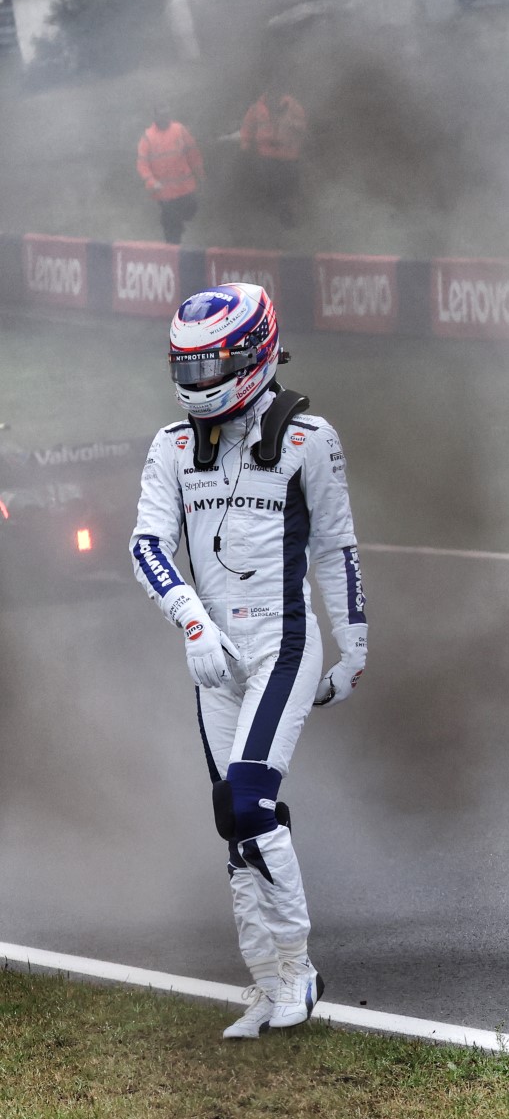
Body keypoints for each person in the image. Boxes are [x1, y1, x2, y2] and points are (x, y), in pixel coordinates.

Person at [129, 283, 367, 1040]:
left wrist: (355, 643)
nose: (200, 384)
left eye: (214, 366)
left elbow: (337, 547)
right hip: (215, 655)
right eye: (188, 368)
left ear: (257, 353)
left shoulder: (309, 438)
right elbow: (144, 546)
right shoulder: (170, 447)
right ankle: (265, 985)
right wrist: (191, 621)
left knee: (251, 803)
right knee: (230, 819)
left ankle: (298, 972)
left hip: (284, 644)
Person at [137, 104, 204, 244]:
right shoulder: (148, 137)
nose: (165, 118)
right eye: (161, 115)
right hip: (164, 192)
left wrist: (200, 173)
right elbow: (142, 164)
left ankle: (178, 222)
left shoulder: (179, 130)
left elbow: (192, 152)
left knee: (192, 209)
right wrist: (152, 182)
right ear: (155, 117)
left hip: (185, 187)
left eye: (167, 114)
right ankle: (173, 250)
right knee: (170, 225)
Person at [239, 90, 308, 227]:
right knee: (270, 186)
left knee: (289, 188)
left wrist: (289, 123)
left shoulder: (293, 106)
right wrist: (245, 144)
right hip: (267, 155)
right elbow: (248, 126)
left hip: (289, 155)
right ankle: (273, 215)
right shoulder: (256, 108)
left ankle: (288, 218)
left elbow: (303, 127)